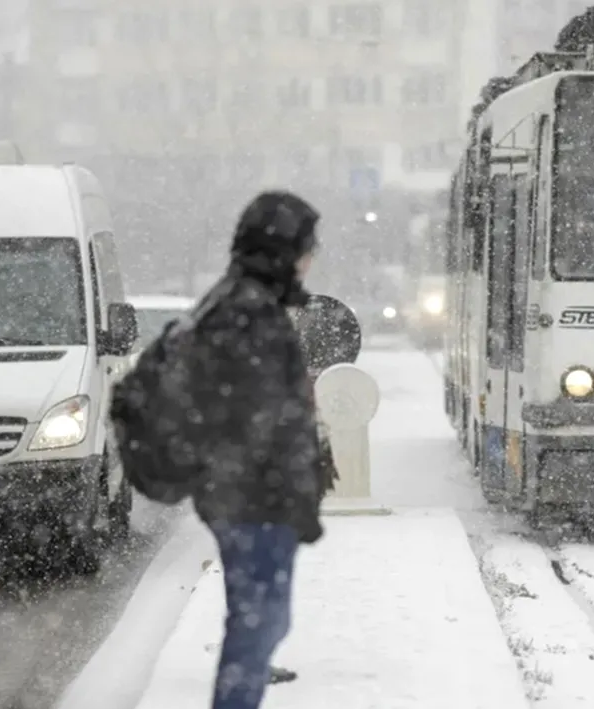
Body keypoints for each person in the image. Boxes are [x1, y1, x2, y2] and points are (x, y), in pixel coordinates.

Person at [189, 190, 328, 709]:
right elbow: (255, 417)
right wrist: (287, 492)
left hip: (249, 494)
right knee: (257, 622)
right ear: (282, 250)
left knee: (263, 620)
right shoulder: (247, 311)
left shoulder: (244, 301)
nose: (311, 257)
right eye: (307, 245)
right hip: (251, 498)